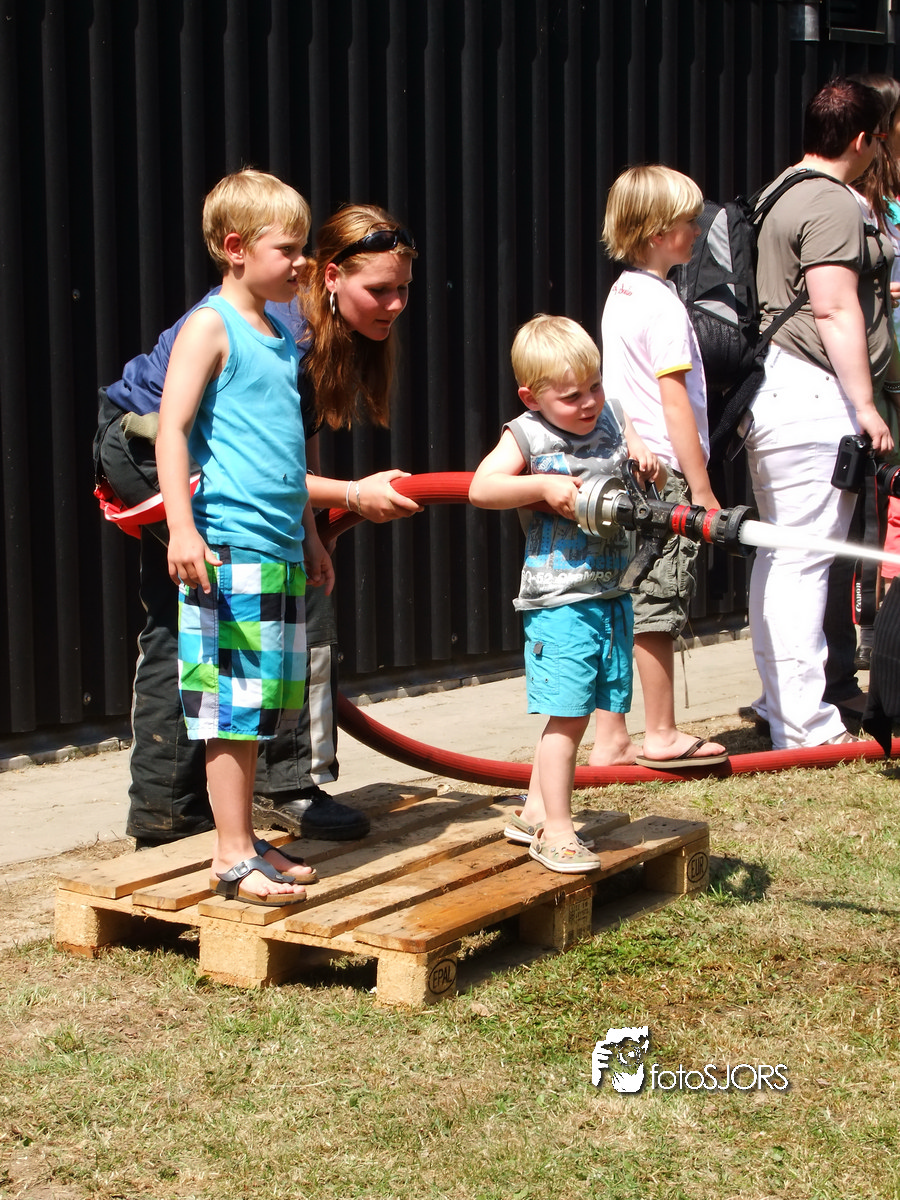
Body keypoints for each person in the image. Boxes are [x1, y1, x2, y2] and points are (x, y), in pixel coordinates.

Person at [94, 201, 420, 848]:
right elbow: (254, 466)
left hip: (196, 454)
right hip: (147, 445)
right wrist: (351, 496)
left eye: (404, 289)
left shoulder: (313, 330)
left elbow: (291, 440)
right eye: (380, 290)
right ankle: (271, 788)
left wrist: (309, 531)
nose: (395, 304)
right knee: (229, 609)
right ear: (332, 277)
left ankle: (181, 810)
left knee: (209, 611)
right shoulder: (283, 324)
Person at [156, 168, 332, 904]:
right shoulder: (210, 326)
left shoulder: (281, 335)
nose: (302, 263)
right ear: (235, 249)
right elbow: (172, 428)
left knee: (259, 707)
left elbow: (289, 455)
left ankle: (246, 838)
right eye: (287, 249)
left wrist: (311, 535)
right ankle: (230, 854)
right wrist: (182, 529)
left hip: (278, 547)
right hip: (227, 547)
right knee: (229, 709)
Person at [469, 314, 659, 873]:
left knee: (589, 707)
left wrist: (647, 461)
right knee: (568, 718)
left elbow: (640, 461)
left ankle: (533, 810)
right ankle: (555, 831)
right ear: (532, 397)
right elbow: (482, 488)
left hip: (610, 592)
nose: (589, 402)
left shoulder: (613, 416)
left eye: (594, 386)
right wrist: (542, 484)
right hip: (560, 602)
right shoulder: (528, 435)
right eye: (571, 396)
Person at [745, 77, 895, 750]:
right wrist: (864, 404)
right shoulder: (831, 200)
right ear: (862, 139)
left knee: (783, 554)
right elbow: (834, 307)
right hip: (810, 395)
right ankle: (804, 726)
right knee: (802, 559)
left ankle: (783, 706)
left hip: (781, 394)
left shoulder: (781, 188)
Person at [595, 164, 728, 770]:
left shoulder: (621, 293)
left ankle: (611, 737)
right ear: (656, 233)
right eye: (688, 221)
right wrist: (701, 491)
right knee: (658, 601)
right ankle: (662, 733)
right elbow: (675, 403)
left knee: (622, 596)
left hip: (626, 468)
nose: (697, 230)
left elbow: (616, 389)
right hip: (664, 476)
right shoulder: (664, 305)